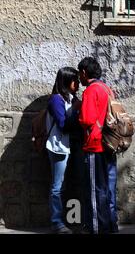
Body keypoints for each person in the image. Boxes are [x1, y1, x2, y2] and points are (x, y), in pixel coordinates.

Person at [77, 57, 118, 234]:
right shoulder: (107, 89)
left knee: (95, 191)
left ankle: (96, 229)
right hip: (110, 144)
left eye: (80, 74)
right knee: (109, 189)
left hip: (95, 146)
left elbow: (86, 119)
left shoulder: (91, 91)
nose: (79, 79)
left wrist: (77, 113)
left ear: (84, 73)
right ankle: (111, 226)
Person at [46, 67, 81, 234]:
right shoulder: (56, 100)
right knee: (57, 187)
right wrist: (76, 111)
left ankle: (72, 219)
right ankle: (57, 222)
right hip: (58, 147)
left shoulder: (72, 99)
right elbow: (63, 125)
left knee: (69, 185)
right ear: (66, 81)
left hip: (71, 146)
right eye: (75, 80)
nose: (78, 83)